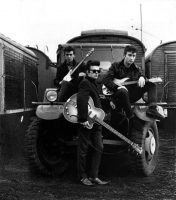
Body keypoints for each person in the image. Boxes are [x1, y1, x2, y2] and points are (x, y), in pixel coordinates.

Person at [102, 45, 164, 120]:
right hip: (117, 96)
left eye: (134, 56)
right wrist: (117, 87)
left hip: (131, 96)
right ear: (124, 55)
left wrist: (142, 77)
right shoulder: (115, 66)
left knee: (151, 84)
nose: (132, 58)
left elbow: (142, 75)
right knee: (123, 90)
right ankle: (130, 116)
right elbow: (105, 80)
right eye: (129, 55)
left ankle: (152, 109)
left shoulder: (136, 69)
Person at [77, 60, 109, 186]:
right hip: (87, 121)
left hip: (96, 121)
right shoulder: (85, 83)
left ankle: (94, 176)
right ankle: (82, 177)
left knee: (99, 147)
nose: (96, 73)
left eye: (98, 71)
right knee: (83, 149)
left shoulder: (95, 84)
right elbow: (81, 100)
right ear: (87, 72)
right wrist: (83, 119)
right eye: (93, 71)